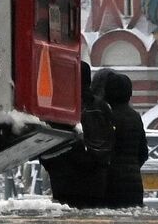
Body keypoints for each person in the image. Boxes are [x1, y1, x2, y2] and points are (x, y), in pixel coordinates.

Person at [42, 62, 112, 209]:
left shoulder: (58, 105)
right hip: (95, 181)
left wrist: (52, 167)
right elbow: (110, 141)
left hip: (63, 181)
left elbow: (47, 141)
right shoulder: (101, 106)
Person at [96, 69, 145, 208]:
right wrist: (131, 168)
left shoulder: (106, 115)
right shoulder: (135, 117)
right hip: (134, 185)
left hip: (110, 184)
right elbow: (143, 153)